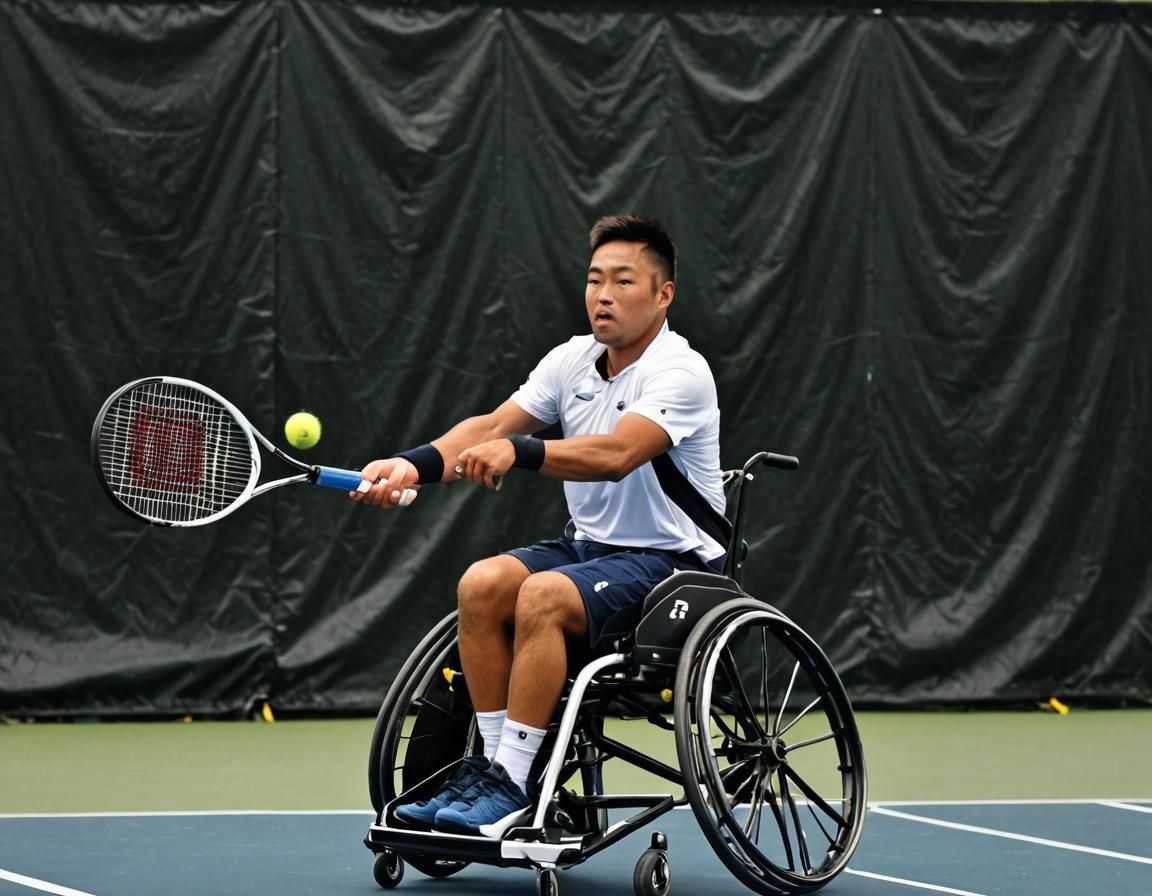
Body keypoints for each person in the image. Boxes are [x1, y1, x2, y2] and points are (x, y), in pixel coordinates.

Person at [352, 215, 725, 838]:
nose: (602, 295)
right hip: (590, 551)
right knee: (482, 583)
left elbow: (616, 454)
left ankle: (514, 781)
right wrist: (409, 467)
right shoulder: (572, 360)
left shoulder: (680, 372)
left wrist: (523, 453)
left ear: (663, 295)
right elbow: (490, 427)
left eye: (623, 281)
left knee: (543, 595)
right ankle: (496, 774)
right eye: (594, 280)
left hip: (674, 567)